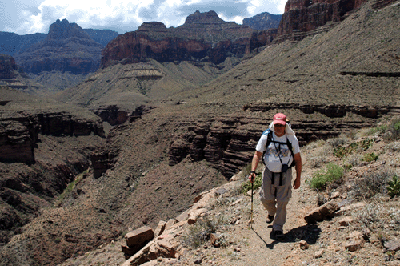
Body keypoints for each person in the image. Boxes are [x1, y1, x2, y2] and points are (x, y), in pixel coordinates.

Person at [249, 113, 302, 240]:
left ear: (285, 126)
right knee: (266, 198)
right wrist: (252, 171)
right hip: (269, 172)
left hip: (285, 173)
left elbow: (298, 160)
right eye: (276, 125)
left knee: (283, 201)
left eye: (281, 125)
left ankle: (277, 227)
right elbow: (257, 154)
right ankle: (272, 212)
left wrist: (298, 178)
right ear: (273, 124)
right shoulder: (266, 136)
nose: (278, 128)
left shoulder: (291, 139)